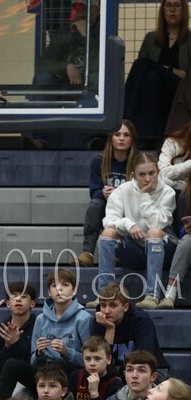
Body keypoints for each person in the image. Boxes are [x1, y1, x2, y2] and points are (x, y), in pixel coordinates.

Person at [91, 154, 177, 310]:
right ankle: (104, 294)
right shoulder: (122, 190)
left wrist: (144, 196)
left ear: (158, 172)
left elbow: (157, 223)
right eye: (142, 174)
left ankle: (152, 295)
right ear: (133, 175)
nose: (147, 179)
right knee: (108, 233)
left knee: (154, 232)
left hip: (163, 250)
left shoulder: (168, 192)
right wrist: (129, 225)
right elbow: (109, 220)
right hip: (134, 250)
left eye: (151, 173)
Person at [124, 0, 191, 150]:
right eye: (168, 5)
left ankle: (126, 115)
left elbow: (187, 75)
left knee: (144, 64)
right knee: (151, 77)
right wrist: (163, 70)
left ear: (184, 11)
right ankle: (150, 136)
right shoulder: (151, 38)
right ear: (163, 11)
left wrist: (170, 70)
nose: (172, 9)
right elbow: (141, 76)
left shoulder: (190, 39)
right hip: (154, 90)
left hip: (179, 88)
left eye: (177, 5)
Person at [76, 121, 137, 267]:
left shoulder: (138, 161)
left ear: (132, 139)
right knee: (95, 204)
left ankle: (122, 252)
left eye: (126, 135)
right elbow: (94, 191)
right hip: (106, 205)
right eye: (117, 134)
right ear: (111, 138)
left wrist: (119, 194)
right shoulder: (99, 161)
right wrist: (103, 193)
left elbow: (142, 192)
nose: (121, 138)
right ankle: (88, 253)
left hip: (130, 207)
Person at [90, 283, 170, 376]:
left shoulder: (141, 320)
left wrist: (115, 372)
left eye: (113, 306)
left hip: (151, 371)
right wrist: (110, 329)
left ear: (125, 307)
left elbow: (143, 359)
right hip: (116, 373)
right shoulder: (99, 322)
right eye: (103, 305)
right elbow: (100, 360)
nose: (107, 311)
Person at [0, 281, 38, 400]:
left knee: (18, 394)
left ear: (32, 303)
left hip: (30, 380)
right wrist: (8, 347)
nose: (18, 299)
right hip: (4, 378)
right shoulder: (0, 329)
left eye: (23, 296)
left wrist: (16, 344)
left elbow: (34, 363)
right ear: (8, 304)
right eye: (14, 296)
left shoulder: (39, 325)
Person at [31, 268, 92, 373]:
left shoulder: (84, 318)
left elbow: (91, 360)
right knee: (12, 364)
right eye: (54, 285)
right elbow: (33, 362)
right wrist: (39, 354)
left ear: (74, 290)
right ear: (49, 292)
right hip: (44, 372)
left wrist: (66, 352)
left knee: (58, 363)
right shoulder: (41, 319)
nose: (59, 289)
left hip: (71, 372)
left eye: (65, 284)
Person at [157, 172, 191, 308]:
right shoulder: (185, 196)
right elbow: (180, 233)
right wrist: (187, 229)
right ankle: (170, 295)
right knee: (187, 241)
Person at [68, 335, 123, 400]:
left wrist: (94, 394)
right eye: (88, 359)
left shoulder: (115, 383)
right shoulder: (76, 376)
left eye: (97, 358)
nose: (92, 363)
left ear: (109, 359)